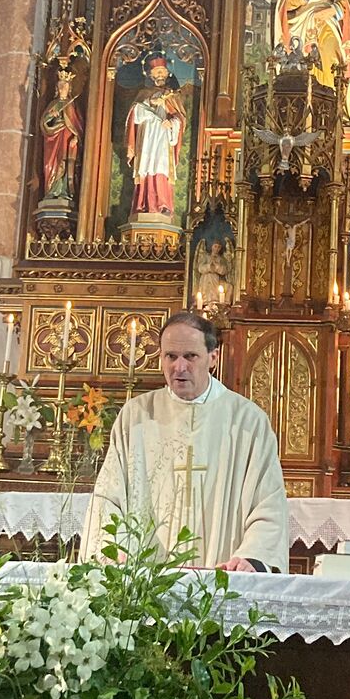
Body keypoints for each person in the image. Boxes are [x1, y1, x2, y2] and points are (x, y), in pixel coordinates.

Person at [80, 312, 289, 572]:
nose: (179, 367)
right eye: (171, 356)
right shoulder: (136, 416)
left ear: (213, 357)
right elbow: (108, 497)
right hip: (143, 577)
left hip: (224, 576)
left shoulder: (247, 421)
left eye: (190, 356)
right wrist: (115, 548)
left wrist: (252, 557)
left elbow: (269, 502)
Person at [125, 54, 186, 216]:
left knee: (161, 166)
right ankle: (142, 204)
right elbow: (134, 115)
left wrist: (172, 123)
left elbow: (180, 118)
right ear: (150, 75)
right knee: (146, 165)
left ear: (167, 73)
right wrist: (150, 103)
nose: (160, 75)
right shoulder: (144, 93)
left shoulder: (173, 95)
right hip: (147, 136)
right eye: (157, 72)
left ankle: (162, 204)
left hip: (163, 137)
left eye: (162, 71)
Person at [40, 68, 83, 201]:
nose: (62, 89)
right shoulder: (54, 104)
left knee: (65, 163)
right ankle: (52, 190)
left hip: (67, 137)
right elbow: (44, 123)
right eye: (60, 86)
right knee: (52, 163)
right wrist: (50, 116)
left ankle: (65, 191)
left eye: (65, 86)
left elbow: (78, 125)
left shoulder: (72, 105)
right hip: (54, 138)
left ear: (69, 88)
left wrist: (76, 137)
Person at [195, 239, 234, 304]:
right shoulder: (206, 257)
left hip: (218, 280)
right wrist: (209, 267)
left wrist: (217, 267)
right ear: (212, 247)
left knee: (229, 286)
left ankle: (225, 303)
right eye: (215, 246)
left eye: (219, 247)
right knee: (210, 277)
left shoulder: (221, 259)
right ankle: (210, 300)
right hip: (207, 279)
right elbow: (200, 268)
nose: (217, 249)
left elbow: (225, 270)